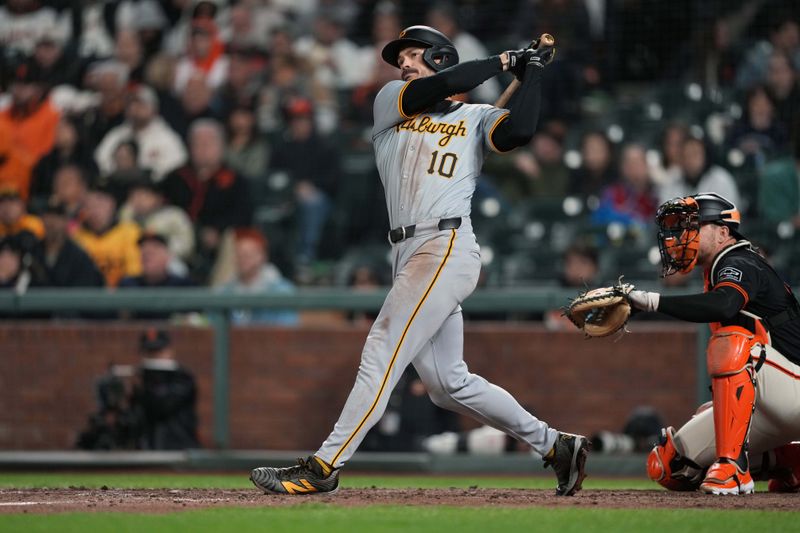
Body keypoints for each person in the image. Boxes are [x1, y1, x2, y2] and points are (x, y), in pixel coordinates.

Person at [250, 25, 589, 497]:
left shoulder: (475, 117)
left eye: (416, 54)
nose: (405, 63)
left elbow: (520, 131)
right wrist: (503, 61)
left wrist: (531, 73)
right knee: (447, 385)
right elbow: (437, 88)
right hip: (407, 251)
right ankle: (555, 445)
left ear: (443, 58)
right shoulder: (391, 102)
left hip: (446, 243)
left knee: (382, 348)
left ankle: (325, 464)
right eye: (402, 56)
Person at [623, 192, 800, 494]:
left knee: (731, 344)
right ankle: (790, 461)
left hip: (793, 387)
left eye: (693, 225)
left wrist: (651, 301)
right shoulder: (717, 267)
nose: (682, 234)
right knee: (671, 466)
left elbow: (723, 305)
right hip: (772, 399)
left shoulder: (739, 260)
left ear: (722, 232)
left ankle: (733, 468)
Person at [129, 328, 200, 450]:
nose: (154, 357)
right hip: (147, 449)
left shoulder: (182, 377)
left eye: (158, 352)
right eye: (150, 352)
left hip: (178, 449)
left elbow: (163, 405)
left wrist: (149, 382)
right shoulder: (142, 380)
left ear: (169, 352)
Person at [218, 228, 298, 326]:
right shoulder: (225, 291)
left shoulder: (282, 291)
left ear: (262, 256)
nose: (243, 259)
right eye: (239, 254)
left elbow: (287, 329)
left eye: (248, 255)